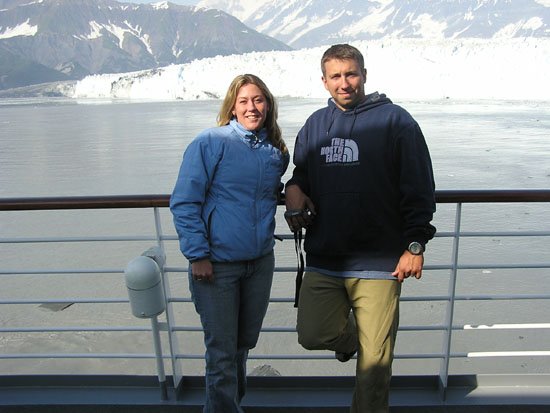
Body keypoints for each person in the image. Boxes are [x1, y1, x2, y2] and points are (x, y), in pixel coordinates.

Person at [284, 44, 436, 412]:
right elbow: (300, 174)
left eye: (351, 74)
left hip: (380, 263)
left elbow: (418, 186)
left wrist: (414, 245)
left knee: (374, 370)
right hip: (324, 257)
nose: (345, 83)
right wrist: (292, 190)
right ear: (324, 81)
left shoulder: (396, 121)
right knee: (312, 333)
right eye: (335, 76)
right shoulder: (315, 125)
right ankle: (355, 340)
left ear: (364, 75)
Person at [170, 74, 289, 413]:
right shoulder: (211, 142)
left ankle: (229, 406)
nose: (252, 107)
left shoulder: (275, 152)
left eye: (258, 100)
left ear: (268, 104)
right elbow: (184, 201)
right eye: (244, 101)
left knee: (241, 347)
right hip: (217, 265)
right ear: (232, 107)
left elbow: (264, 195)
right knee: (222, 352)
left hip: (259, 264)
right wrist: (198, 256)